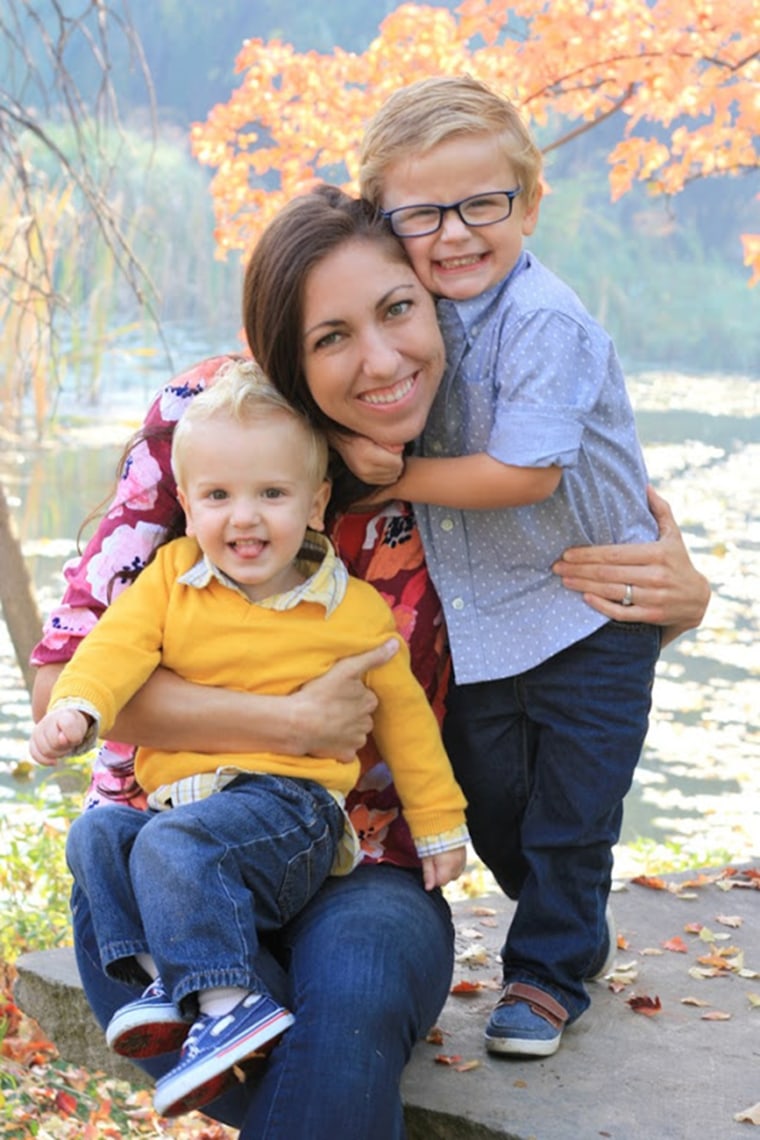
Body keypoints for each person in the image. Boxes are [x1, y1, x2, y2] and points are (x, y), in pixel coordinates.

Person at [31, 188, 709, 1140]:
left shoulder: (475, 446)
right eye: (331, 336)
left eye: (399, 310)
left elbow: (568, 607)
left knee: (349, 1017)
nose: (384, 361)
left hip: (370, 861)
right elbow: (64, 684)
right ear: (282, 353)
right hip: (160, 854)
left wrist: (675, 607)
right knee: (245, 1042)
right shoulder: (203, 428)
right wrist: (287, 725)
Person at [338, 73, 680, 1058]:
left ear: (528, 202)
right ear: (382, 219)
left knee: (573, 805)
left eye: (481, 205)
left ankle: (545, 974)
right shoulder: (415, 313)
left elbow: (526, 475)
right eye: (420, 214)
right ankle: (568, 925)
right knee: (492, 803)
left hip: (594, 603)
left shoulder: (542, 320)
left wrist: (392, 479)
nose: (452, 234)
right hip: (484, 616)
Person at [30, 361, 467, 1118]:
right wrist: (80, 709)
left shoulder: (349, 608)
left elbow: (406, 721)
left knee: (182, 858)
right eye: (219, 498)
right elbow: (107, 653)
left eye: (272, 495)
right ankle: (164, 979)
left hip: (299, 818)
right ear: (187, 505)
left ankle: (228, 1003)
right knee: (101, 834)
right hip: (187, 824)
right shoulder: (170, 576)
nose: (245, 518)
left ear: (316, 500)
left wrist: (438, 825)